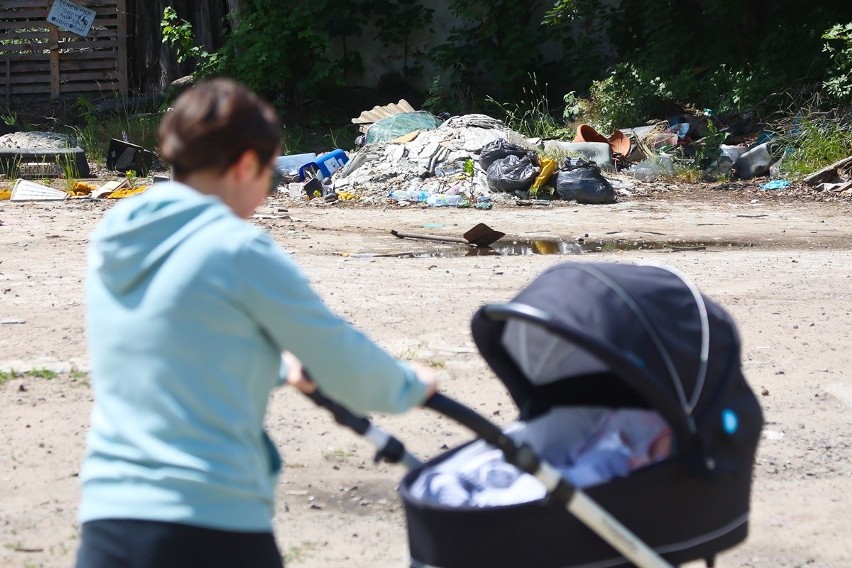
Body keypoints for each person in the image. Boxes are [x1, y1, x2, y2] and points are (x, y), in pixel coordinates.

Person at [75, 78, 438, 568]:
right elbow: (340, 360)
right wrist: (410, 385)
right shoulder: (237, 248)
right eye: (268, 176)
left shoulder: (115, 236)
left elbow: (173, 338)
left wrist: (271, 363)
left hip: (107, 520)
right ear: (246, 164)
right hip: (209, 524)